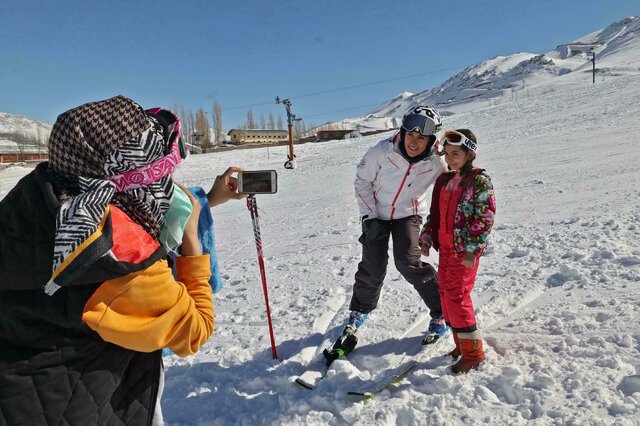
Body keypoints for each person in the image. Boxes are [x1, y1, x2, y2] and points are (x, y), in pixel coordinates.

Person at [0, 95, 245, 425]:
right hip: (82, 407)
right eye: (158, 173)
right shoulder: (125, 263)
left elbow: (131, 207)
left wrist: (208, 200)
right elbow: (194, 329)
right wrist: (191, 240)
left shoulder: (44, 194)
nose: (166, 185)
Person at [325, 106, 449, 363]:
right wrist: (369, 216)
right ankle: (360, 311)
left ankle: (441, 311)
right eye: (410, 135)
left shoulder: (437, 163)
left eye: (421, 138)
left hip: (409, 214)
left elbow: (450, 187)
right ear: (402, 132)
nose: (414, 142)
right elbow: (362, 181)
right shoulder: (383, 151)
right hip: (376, 213)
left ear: (431, 139)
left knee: (408, 262)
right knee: (372, 264)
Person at [419, 129, 496, 374]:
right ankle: (460, 345)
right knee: (444, 294)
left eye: (456, 154)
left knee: (457, 296)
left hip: (464, 253)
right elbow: (436, 214)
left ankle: (473, 353)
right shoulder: (444, 180)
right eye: (447, 154)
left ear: (469, 153)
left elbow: (485, 217)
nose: (450, 159)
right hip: (445, 251)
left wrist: (474, 248)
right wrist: (427, 236)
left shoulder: (478, 180)